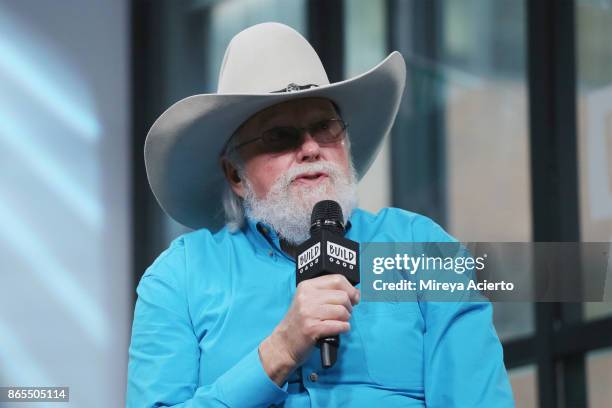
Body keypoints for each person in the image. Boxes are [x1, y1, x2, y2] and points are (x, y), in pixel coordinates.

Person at [127, 22, 514, 407]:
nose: (311, 148)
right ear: (235, 175)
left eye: (325, 129)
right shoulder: (180, 277)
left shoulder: (425, 250)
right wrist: (279, 351)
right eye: (279, 137)